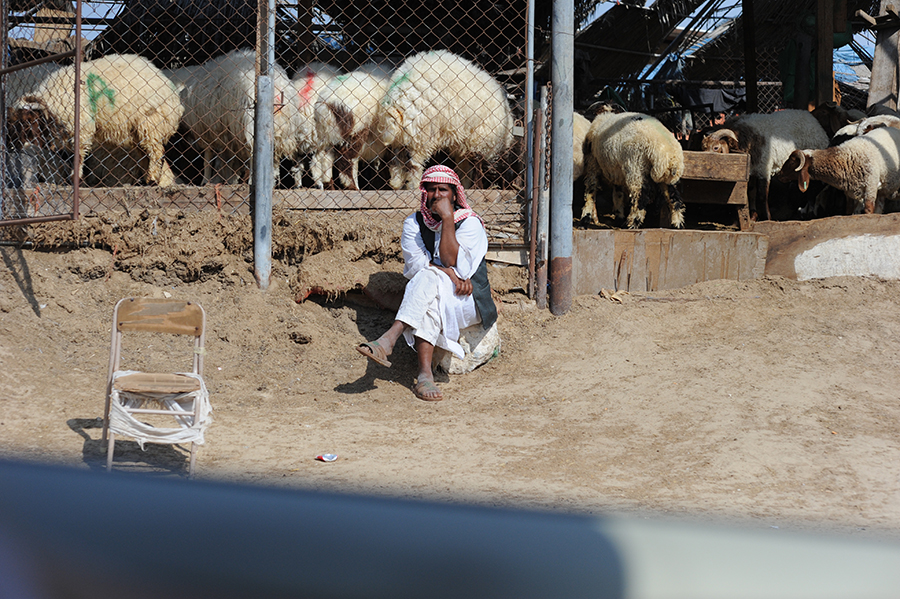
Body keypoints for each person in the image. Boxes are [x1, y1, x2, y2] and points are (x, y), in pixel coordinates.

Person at [356, 165, 497, 401]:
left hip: (467, 301)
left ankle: (390, 337)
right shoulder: (414, 223)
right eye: (431, 189)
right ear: (424, 193)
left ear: (455, 194)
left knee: (428, 280)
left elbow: (460, 268)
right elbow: (416, 268)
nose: (437, 195)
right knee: (428, 291)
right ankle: (424, 376)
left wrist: (448, 219)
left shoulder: (470, 223)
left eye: (443, 190)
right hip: (432, 293)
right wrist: (448, 273)